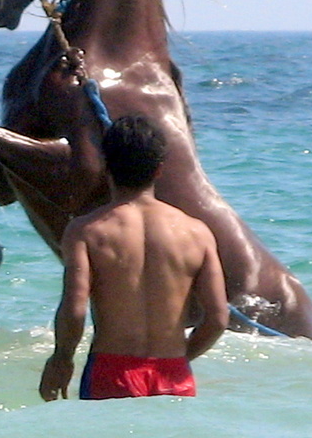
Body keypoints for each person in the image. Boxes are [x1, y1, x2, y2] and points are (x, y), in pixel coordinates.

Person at [39, 114, 229, 401]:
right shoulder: (197, 232)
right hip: (174, 376)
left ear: (106, 165)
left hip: (111, 373)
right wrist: (179, 360)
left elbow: (74, 309)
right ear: (159, 169)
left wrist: (61, 359)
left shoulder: (86, 231)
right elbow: (217, 319)